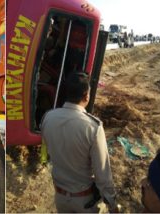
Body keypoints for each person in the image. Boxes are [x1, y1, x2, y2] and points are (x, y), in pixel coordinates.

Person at [41, 72, 118, 213]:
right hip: (85, 202)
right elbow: (102, 173)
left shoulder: (47, 118)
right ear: (86, 95)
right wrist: (112, 203)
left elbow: (48, 150)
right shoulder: (93, 127)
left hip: (60, 198)